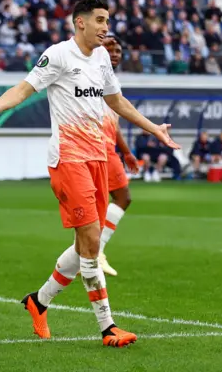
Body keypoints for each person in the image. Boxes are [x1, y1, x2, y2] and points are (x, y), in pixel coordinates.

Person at [0, 0, 179, 347]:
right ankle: (108, 328)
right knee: (91, 241)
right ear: (80, 22)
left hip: (97, 158)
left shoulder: (103, 57)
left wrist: (153, 128)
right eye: (100, 20)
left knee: (82, 246)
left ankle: (39, 301)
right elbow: (26, 88)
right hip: (68, 159)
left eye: (107, 20)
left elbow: (116, 102)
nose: (106, 27)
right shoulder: (59, 55)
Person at [98, 35, 140, 277]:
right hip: (95, 145)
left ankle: (92, 254)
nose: (115, 53)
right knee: (119, 197)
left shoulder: (111, 79)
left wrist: (125, 151)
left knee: (111, 200)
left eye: (119, 50)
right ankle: (94, 253)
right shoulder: (95, 74)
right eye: (109, 48)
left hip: (106, 146)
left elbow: (113, 121)